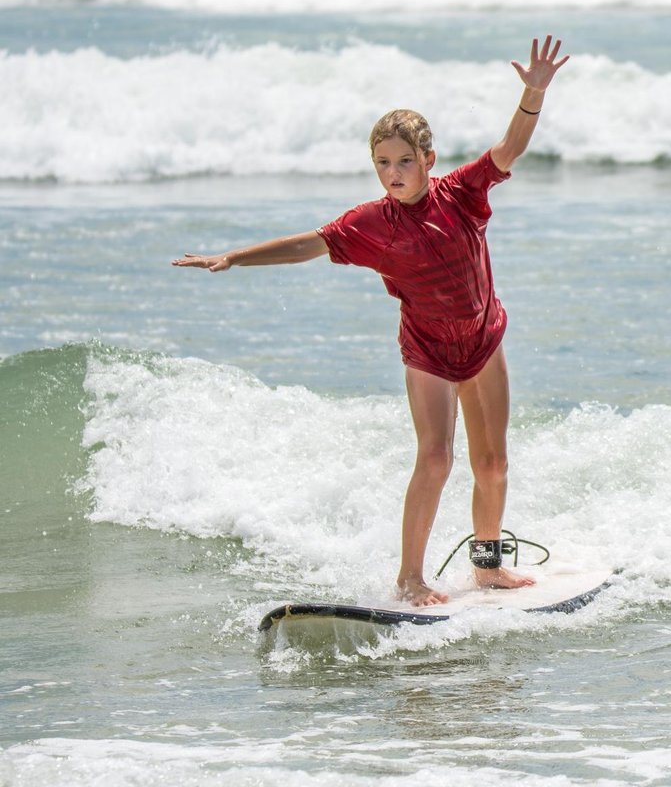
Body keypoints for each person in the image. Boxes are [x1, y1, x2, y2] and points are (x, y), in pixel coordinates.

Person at [173, 35, 569, 607]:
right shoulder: (370, 225)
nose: (394, 173)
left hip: (483, 340)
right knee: (435, 458)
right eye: (383, 163)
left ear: (428, 161)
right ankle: (410, 577)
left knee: (493, 462)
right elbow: (306, 246)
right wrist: (235, 256)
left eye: (405, 161)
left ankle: (488, 568)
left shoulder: (462, 194)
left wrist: (531, 95)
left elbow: (509, 147)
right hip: (429, 350)